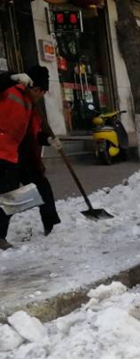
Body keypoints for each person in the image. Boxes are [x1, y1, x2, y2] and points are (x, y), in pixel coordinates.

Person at [1, 66, 60, 250]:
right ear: (37, 89)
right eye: (41, 92)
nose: (41, 96)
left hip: (19, 155)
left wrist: (48, 139)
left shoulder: (31, 106)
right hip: (2, 153)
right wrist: (11, 77)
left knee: (41, 187)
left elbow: (32, 134)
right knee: (7, 196)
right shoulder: (9, 90)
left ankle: (52, 225)